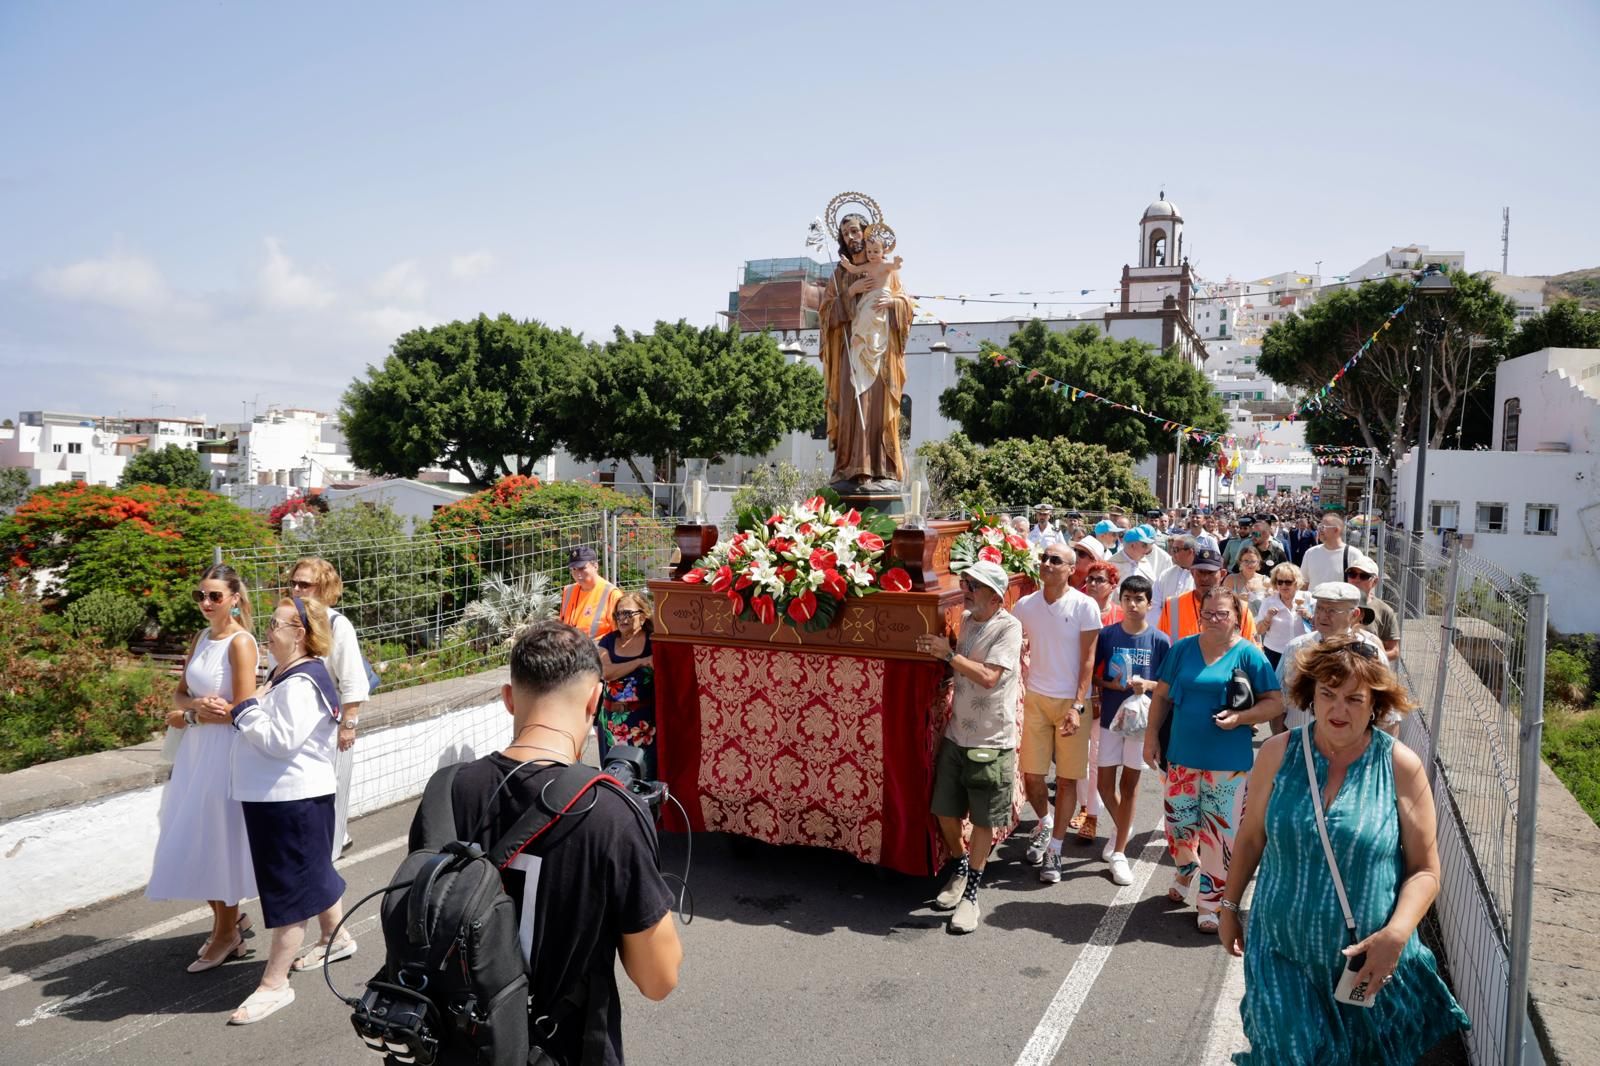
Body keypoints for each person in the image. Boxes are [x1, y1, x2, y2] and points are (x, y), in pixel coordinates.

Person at [415, 620, 682, 1060]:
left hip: (454, 1043)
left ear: (508, 698)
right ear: (596, 698)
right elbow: (659, 979)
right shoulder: (610, 812)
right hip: (561, 1048)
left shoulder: (445, 790)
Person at [1220, 637, 1471, 1062]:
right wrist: (1227, 906)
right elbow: (1250, 837)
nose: (1339, 710)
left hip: (1367, 964)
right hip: (1282, 952)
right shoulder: (1278, 754)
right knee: (1287, 1052)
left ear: (1375, 702)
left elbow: (1426, 870)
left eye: (1354, 698)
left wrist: (1396, 934)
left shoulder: (1399, 766)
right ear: (1310, 696)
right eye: (1328, 695)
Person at [227, 596, 350, 1024]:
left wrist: (243, 710)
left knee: (288, 890)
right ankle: (337, 934)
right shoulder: (285, 673)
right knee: (309, 871)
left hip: (290, 799)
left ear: (299, 633)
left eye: (276, 624)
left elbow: (280, 740)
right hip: (280, 797)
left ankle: (274, 985)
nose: (267, 630)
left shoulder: (301, 682)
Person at [1143, 587, 1283, 930]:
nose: (1214, 620)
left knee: (1220, 836)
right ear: (1200, 614)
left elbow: (1275, 702)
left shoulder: (1249, 655)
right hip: (1182, 756)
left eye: (1222, 614)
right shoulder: (1182, 650)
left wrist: (1240, 718)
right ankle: (1186, 869)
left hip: (1229, 763)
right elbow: (1161, 697)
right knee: (1178, 826)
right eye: (1208, 614)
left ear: (1237, 616)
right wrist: (1150, 738)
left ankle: (1210, 903)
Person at [147, 564, 260, 972]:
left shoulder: (241, 643)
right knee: (191, 834)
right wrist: (192, 710)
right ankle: (226, 923)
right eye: (200, 596)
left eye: (215, 596)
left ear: (234, 599)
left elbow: (244, 710)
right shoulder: (200, 638)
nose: (206, 603)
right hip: (194, 753)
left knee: (217, 840)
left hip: (223, 754)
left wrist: (196, 716)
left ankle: (228, 934)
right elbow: (180, 696)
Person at [918, 561, 1024, 934]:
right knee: (944, 810)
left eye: (974, 585)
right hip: (956, 733)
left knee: (982, 819)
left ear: (995, 596)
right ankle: (961, 868)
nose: (966, 588)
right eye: (966, 582)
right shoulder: (966, 617)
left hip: (991, 740)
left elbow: (990, 677)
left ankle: (972, 894)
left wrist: (947, 656)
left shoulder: (1009, 627)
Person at [1010, 547, 1103, 880]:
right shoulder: (1025, 606)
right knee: (1032, 776)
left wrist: (1078, 705)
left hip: (1071, 704)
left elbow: (1088, 660)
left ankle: (1056, 850)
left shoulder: (1085, 605)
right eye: (1044, 558)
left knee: (1065, 781)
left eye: (1055, 561)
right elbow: (1014, 645)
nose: (1047, 564)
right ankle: (1046, 823)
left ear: (1071, 569)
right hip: (1035, 698)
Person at [818, 207, 914, 487]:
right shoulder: (840, 274)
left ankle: (882, 468)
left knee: (878, 406)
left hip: (881, 351)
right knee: (853, 403)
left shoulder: (885, 269)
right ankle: (850, 468)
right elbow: (825, 315)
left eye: (856, 231)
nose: (851, 237)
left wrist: (894, 304)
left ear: (867, 232)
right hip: (851, 352)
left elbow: (906, 305)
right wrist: (850, 292)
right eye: (846, 233)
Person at [287, 556, 370, 857]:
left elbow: (352, 680)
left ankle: (330, 856)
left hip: (329, 728)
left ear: (323, 588)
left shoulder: (337, 625)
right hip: (294, 727)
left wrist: (349, 725)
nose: (297, 589)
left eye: (304, 584)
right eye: (293, 583)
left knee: (332, 793)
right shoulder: (288, 622)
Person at [1092, 574, 1171, 886]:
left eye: (1139, 599)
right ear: (1119, 601)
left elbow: (1167, 685)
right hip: (1112, 719)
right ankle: (1123, 826)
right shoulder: (1108, 635)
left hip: (1141, 725)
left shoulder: (1160, 640)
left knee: (1130, 786)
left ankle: (1120, 851)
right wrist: (1110, 684)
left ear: (1149, 604)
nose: (1133, 604)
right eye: (1128, 598)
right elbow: (1092, 674)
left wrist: (1146, 685)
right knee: (1103, 785)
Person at [1276, 582, 1387, 731]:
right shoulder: (1295, 648)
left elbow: (1389, 715)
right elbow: (1278, 701)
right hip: (1300, 745)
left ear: (1354, 615)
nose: (1322, 616)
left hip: (1351, 748)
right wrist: (1283, 745)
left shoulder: (1371, 654)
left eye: (1332, 611)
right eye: (1320, 608)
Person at [597, 591, 657, 778]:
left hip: (644, 723)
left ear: (643, 614)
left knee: (645, 776)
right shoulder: (608, 641)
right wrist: (640, 662)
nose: (622, 619)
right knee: (613, 777)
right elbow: (606, 673)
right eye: (618, 614)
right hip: (611, 723)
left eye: (628, 613)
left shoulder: (652, 641)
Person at [1157, 549, 1258, 643]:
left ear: (1222, 574)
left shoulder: (1240, 608)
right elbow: (1160, 646)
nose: (1204, 578)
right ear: (1192, 573)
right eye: (1200, 572)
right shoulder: (1173, 605)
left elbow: (1252, 651)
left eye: (1211, 573)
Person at [1255, 563, 1310, 670]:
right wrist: (1267, 619)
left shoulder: (1307, 598)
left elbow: (1319, 625)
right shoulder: (1268, 602)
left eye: (1288, 582)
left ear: (1296, 582)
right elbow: (1259, 630)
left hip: (1302, 652)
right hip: (1274, 652)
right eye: (1280, 582)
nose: (1283, 586)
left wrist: (1309, 616)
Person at [1345, 555, 1400, 661]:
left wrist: (1372, 657)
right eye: (1352, 574)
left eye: (1363, 576)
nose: (1356, 579)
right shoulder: (1335, 602)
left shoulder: (1384, 610)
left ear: (1375, 582)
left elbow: (1394, 651)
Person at [561, 546, 622, 641]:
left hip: (598, 651)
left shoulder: (611, 594)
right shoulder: (568, 591)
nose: (578, 574)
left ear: (595, 566)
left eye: (582, 568)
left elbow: (619, 635)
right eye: (574, 569)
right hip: (570, 649)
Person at [1300, 513, 1356, 590]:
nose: (1319, 530)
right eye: (1319, 527)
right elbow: (1304, 583)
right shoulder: (1310, 553)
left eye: (1323, 527)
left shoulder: (1353, 554)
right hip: (1313, 602)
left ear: (1336, 530)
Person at [1152, 534, 1197, 608]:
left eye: (1176, 550)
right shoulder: (1165, 575)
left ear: (1190, 552)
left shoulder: (1201, 577)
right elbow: (1154, 604)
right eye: (1171, 549)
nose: (1171, 553)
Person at [1225, 546, 1270, 618]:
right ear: (1240, 562)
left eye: (1253, 561)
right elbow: (1223, 603)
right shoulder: (1231, 579)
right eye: (1246, 561)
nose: (1249, 564)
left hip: (1261, 625)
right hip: (1238, 624)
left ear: (1258, 562)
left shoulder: (1266, 580)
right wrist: (1237, 599)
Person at [1081, 560, 1123, 626]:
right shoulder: (1075, 608)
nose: (1092, 583)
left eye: (1100, 580)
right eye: (1090, 579)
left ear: (1113, 587)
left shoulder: (1122, 615)